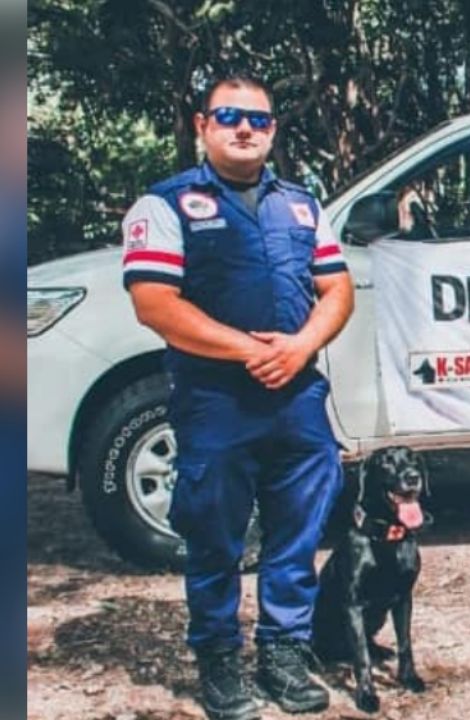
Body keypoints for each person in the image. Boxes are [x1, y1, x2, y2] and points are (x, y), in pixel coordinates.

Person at [122, 75, 354, 720]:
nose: (244, 128)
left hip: (297, 397)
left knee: (297, 533)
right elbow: (156, 306)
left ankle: (283, 651)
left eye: (258, 119)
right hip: (215, 402)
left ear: (274, 130)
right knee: (215, 539)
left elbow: (337, 289)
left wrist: (300, 346)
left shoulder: (303, 205)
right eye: (228, 116)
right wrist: (252, 350)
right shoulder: (163, 206)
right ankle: (220, 661)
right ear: (203, 125)